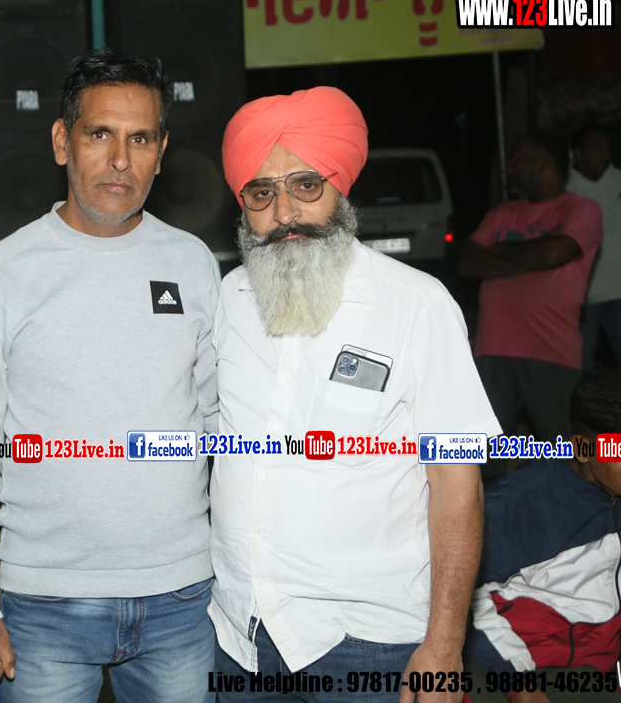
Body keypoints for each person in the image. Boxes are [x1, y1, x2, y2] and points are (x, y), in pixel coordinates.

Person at [0, 48, 220, 703]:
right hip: (43, 604)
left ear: (161, 151)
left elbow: (219, 426)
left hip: (182, 600)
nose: (121, 160)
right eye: (100, 134)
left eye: (140, 138)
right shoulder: (3, 272)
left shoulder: (193, 263)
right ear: (62, 142)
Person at [210, 87, 499, 703]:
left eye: (305, 185)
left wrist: (445, 645)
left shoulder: (416, 306)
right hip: (240, 634)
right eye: (261, 193)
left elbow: (457, 484)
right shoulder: (229, 300)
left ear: (340, 187)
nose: (284, 212)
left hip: (369, 639)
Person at [463, 369, 621, 703]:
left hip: (591, 667)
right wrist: (519, 681)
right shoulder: (515, 505)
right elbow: (463, 599)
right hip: (512, 663)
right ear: (582, 448)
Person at [459, 132, 602, 444]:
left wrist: (498, 250)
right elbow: (467, 262)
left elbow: (554, 253)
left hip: (550, 351)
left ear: (545, 164)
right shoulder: (501, 213)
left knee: (564, 450)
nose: (508, 168)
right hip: (492, 349)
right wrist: (535, 255)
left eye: (516, 160)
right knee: (482, 451)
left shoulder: (582, 208)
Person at [567, 124, 621, 369]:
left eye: (607, 148)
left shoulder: (618, 181)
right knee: (581, 363)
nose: (604, 154)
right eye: (596, 148)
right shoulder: (563, 188)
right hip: (582, 295)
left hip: (619, 290)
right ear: (577, 152)